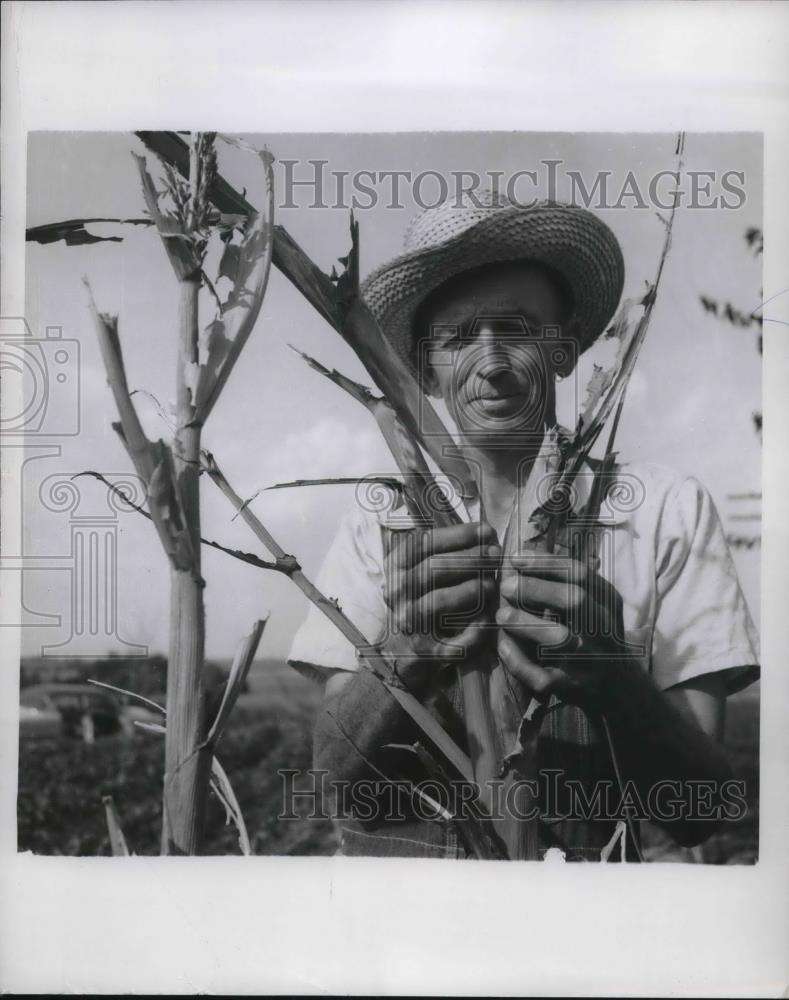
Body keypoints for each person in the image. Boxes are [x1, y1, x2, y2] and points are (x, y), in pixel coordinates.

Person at [288, 191, 760, 861]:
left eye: (515, 328)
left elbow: (701, 808)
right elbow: (336, 785)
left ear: (564, 350)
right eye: (457, 337)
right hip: (419, 934)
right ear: (426, 371)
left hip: (600, 928)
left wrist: (613, 674)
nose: (492, 359)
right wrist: (408, 651)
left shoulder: (664, 509)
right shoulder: (381, 522)